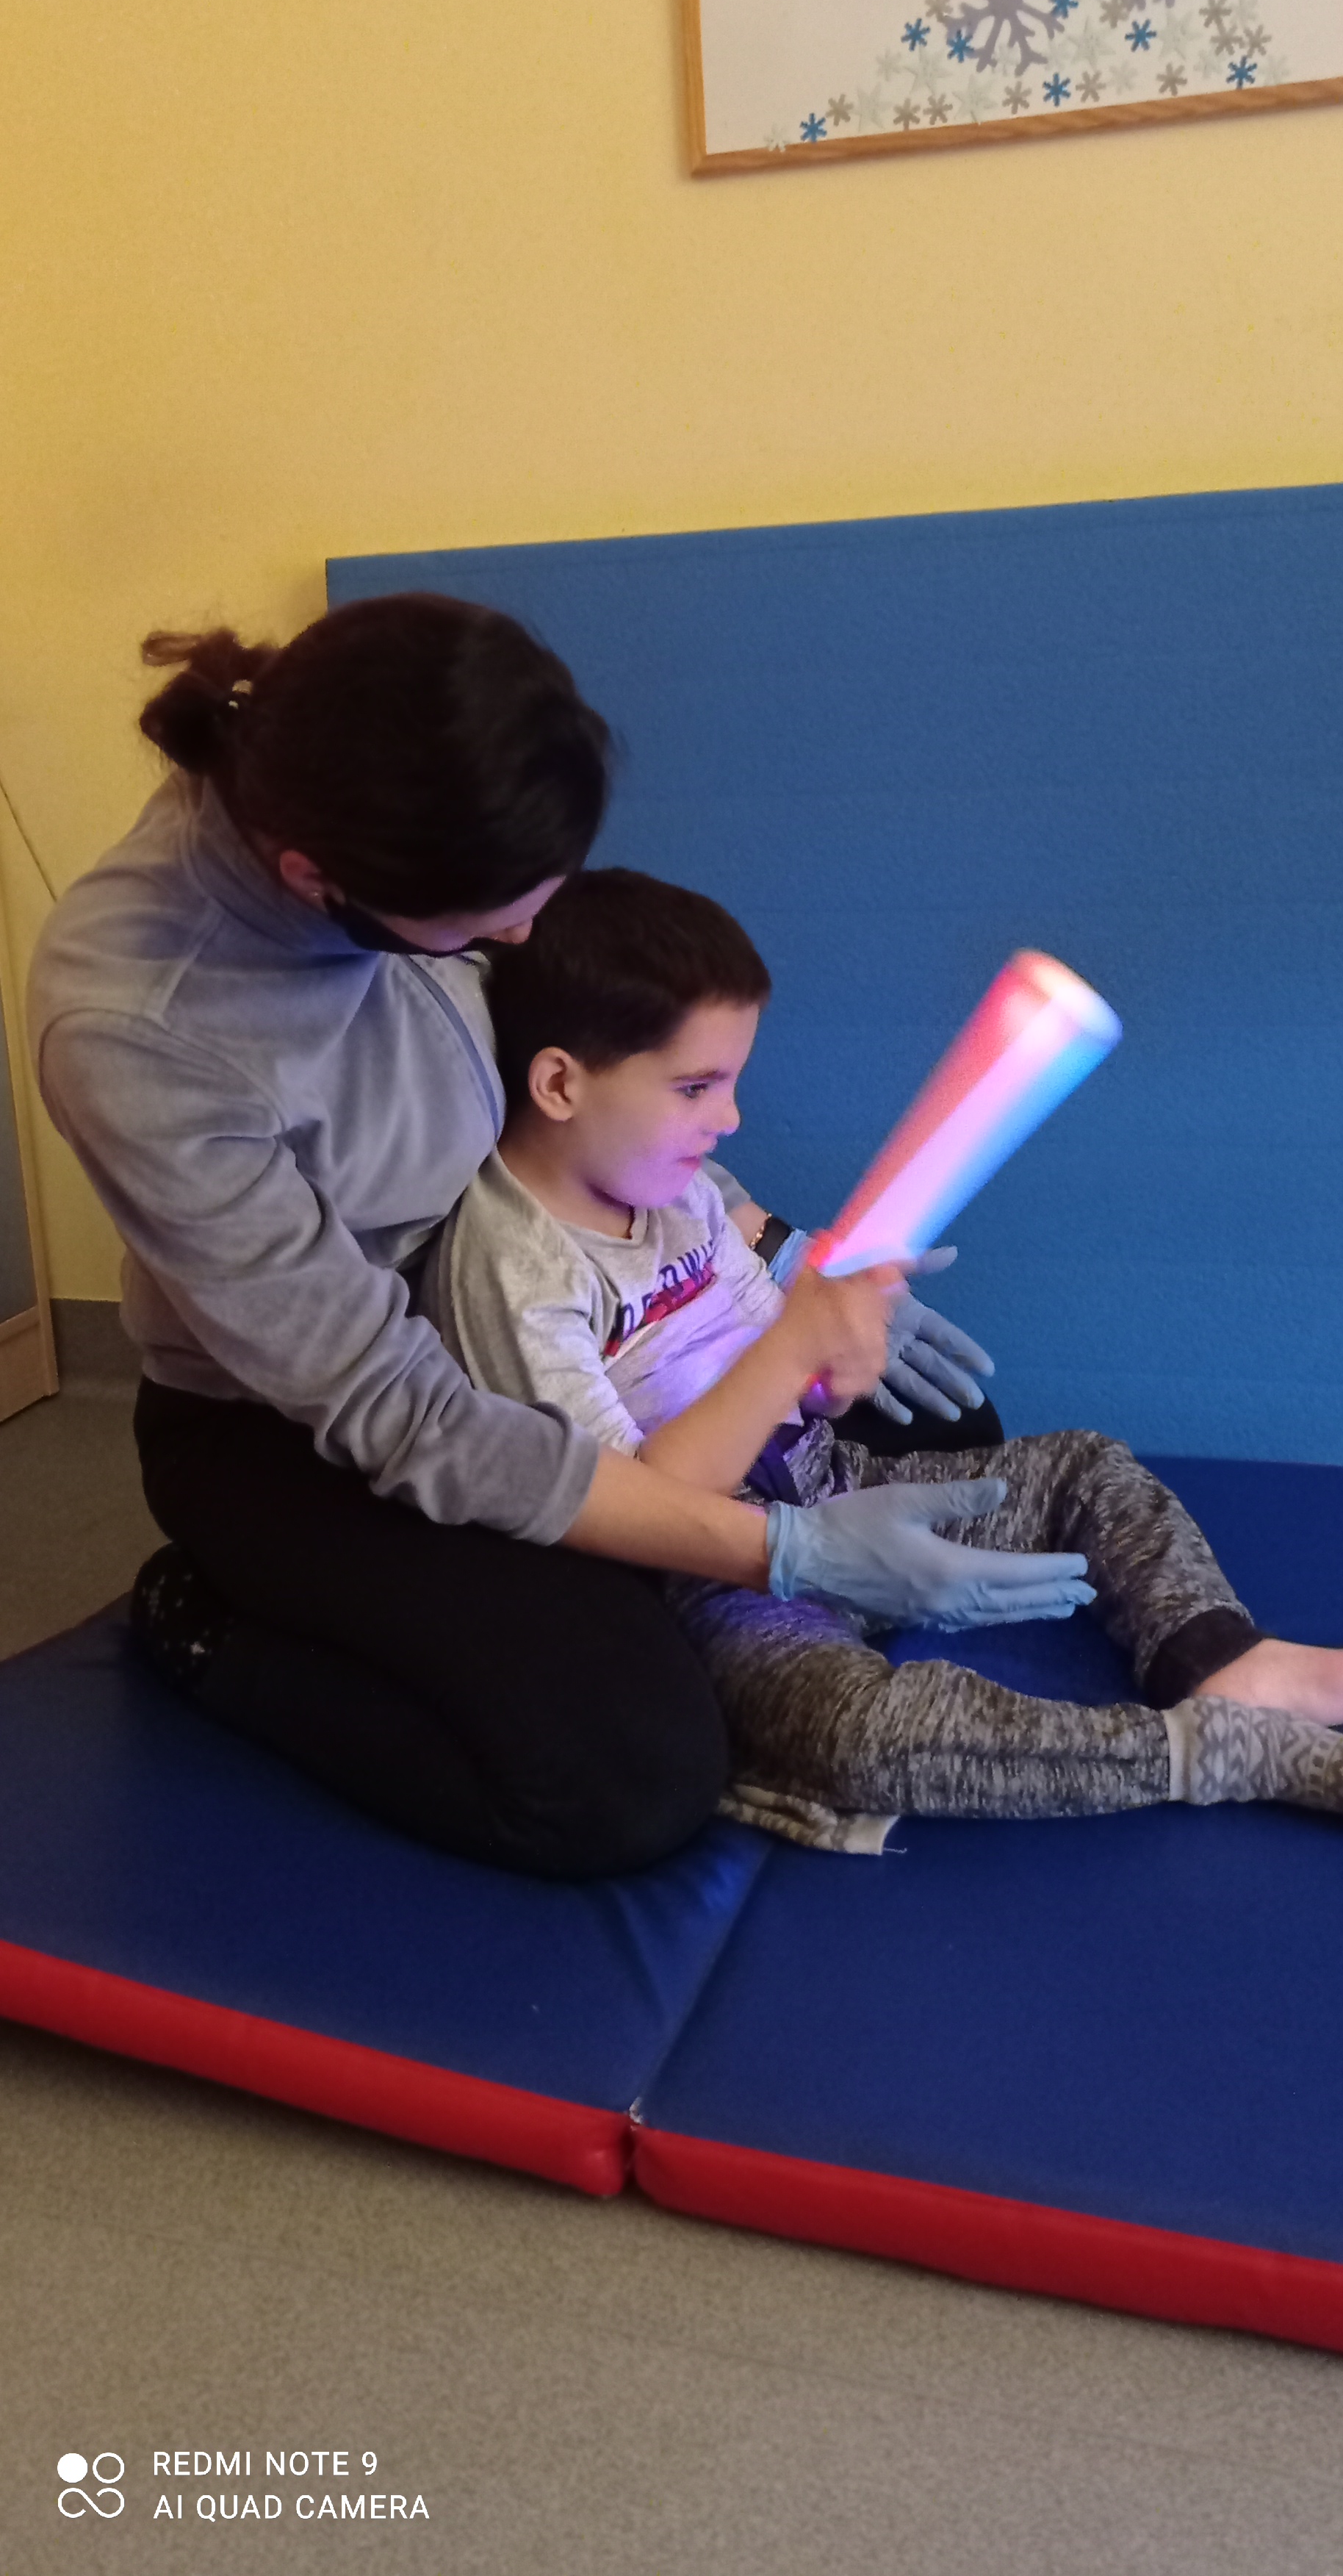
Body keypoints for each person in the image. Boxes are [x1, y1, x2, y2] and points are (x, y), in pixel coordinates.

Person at [29, 595, 1082, 1882]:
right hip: (305, 1428)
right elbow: (402, 1413)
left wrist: (773, 1250)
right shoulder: (141, 1031)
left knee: (939, 1430)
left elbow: (589, 1075)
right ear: (318, 883)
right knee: (629, 1776)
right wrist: (785, 1550)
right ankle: (207, 1625)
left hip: (540, 1301)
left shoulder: (402, 784)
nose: (524, 942)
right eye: (489, 924)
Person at [434, 866, 1343, 1849]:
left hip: (835, 1486)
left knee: (1088, 1467)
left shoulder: (681, 1194)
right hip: (722, 1581)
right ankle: (1210, 1752)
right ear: (561, 1084)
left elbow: (810, 1396)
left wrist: (841, 1350)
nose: (730, 1119)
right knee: (860, 1737)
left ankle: (1220, 1659)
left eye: (732, 1081)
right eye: (697, 1087)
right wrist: (795, 1345)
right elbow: (630, 1507)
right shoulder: (513, 1265)